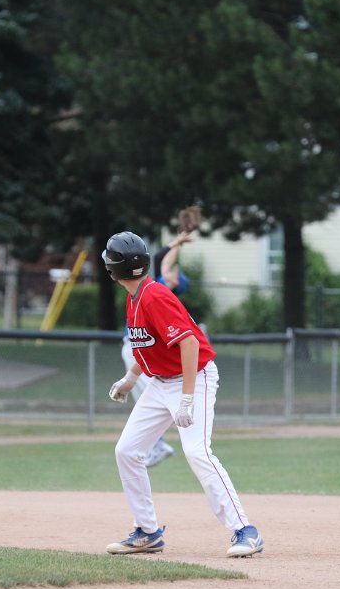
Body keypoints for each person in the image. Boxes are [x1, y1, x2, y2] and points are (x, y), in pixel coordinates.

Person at [102, 231, 263, 557]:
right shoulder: (136, 297)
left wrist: (187, 398)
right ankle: (147, 532)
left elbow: (189, 343)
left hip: (194, 377)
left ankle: (245, 531)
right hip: (161, 383)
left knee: (197, 452)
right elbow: (152, 346)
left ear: (112, 269)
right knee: (128, 450)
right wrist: (131, 377)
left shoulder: (153, 296)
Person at [118, 226, 196, 467]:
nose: (172, 272)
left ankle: (157, 443)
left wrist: (176, 245)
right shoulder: (153, 286)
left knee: (147, 395)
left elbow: (164, 260)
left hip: (138, 347)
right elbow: (165, 259)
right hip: (136, 347)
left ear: (175, 282)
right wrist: (178, 242)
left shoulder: (158, 291)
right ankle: (155, 443)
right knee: (143, 394)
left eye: (175, 275)